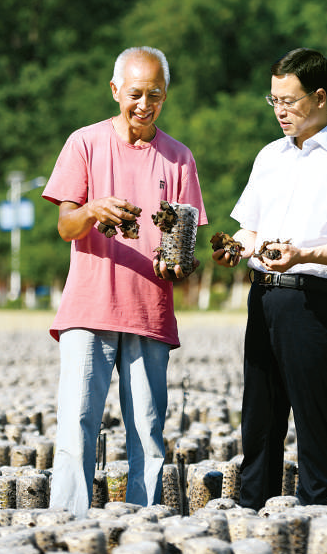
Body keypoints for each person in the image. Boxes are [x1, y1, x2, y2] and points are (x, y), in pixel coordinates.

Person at [213, 48, 327, 509]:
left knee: (313, 423)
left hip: (315, 300)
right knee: (259, 422)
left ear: (320, 96)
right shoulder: (270, 156)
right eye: (273, 101)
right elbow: (250, 227)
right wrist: (236, 246)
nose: (280, 112)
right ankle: (252, 515)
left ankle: (319, 522)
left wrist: (303, 254)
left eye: (289, 101)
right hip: (263, 298)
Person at [43, 46, 207, 517]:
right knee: (76, 425)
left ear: (166, 96)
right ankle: (66, 524)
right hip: (88, 309)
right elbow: (65, 226)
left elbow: (185, 242)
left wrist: (180, 262)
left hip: (149, 311)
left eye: (155, 94)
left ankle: (145, 524)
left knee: (148, 431)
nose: (144, 102)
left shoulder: (178, 158)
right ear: (115, 91)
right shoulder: (85, 143)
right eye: (135, 93)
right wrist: (92, 210)